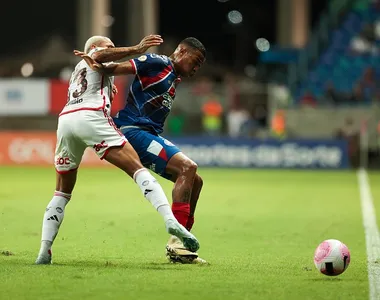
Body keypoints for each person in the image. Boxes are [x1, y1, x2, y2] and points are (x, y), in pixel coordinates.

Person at [35, 35, 200, 265]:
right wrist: (137, 48)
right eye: (109, 46)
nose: (113, 49)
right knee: (140, 170)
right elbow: (102, 58)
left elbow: (101, 72)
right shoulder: (155, 61)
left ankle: (44, 250)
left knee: (61, 192)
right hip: (106, 121)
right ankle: (172, 224)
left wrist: (109, 88)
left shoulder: (78, 71)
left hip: (66, 122)